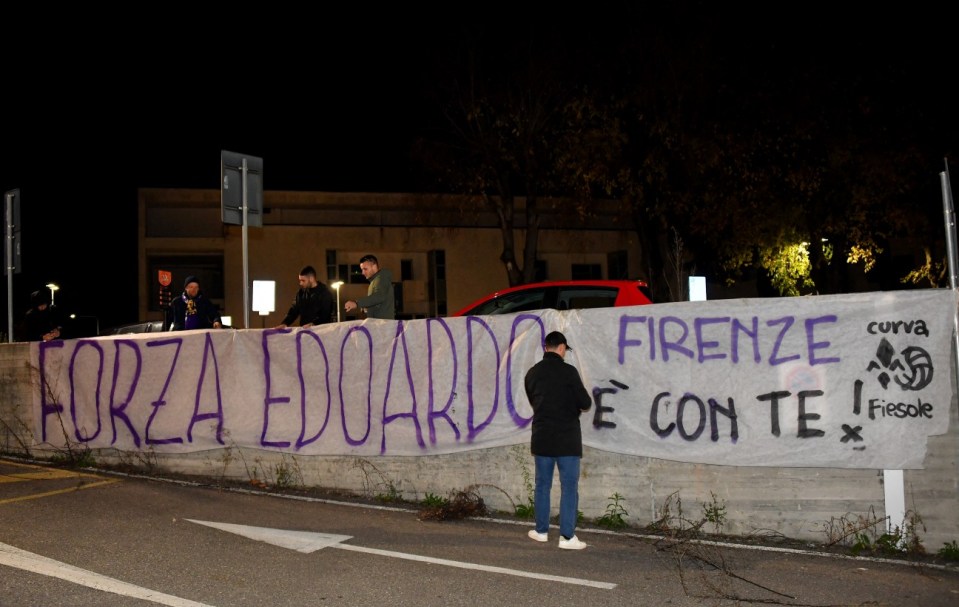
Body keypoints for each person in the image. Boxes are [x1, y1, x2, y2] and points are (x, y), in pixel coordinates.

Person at [524, 330, 592, 550]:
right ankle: (567, 537)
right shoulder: (569, 372)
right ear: (562, 348)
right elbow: (585, 402)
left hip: (542, 437)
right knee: (569, 487)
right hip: (567, 439)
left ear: (546, 348)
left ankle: (541, 531)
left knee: (542, 485)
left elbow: (535, 401)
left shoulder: (532, 373)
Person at [343, 254, 395, 319]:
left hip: (382, 325)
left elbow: (379, 296)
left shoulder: (381, 278)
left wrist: (356, 303)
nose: (363, 272)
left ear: (374, 266)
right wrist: (367, 307)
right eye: (362, 269)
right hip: (379, 324)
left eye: (365, 269)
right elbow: (378, 301)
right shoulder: (375, 281)